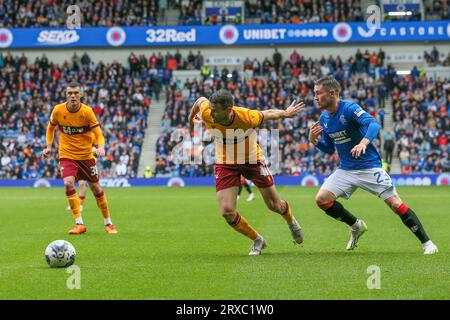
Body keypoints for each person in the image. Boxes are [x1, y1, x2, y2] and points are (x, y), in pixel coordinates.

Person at [308, 76, 437, 254]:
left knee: (395, 205)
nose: (315, 97)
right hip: (346, 169)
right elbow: (330, 149)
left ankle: (428, 243)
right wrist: (314, 141)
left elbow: (374, 124)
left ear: (331, 93)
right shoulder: (324, 118)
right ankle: (356, 225)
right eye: (314, 93)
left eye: (318, 93)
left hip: (369, 166)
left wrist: (363, 143)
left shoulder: (349, 109)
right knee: (321, 200)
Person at [188, 89, 305, 256]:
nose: (210, 112)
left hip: (252, 160)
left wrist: (285, 113)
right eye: (211, 108)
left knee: (274, 206)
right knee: (227, 211)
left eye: (215, 110)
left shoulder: (246, 116)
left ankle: (291, 221)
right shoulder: (207, 111)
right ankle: (257, 239)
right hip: (225, 162)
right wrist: (190, 117)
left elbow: (268, 113)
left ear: (228, 110)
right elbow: (200, 100)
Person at [43, 82, 118, 235]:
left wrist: (101, 146)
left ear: (81, 95)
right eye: (70, 93)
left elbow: (98, 133)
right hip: (67, 154)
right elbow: (50, 128)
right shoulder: (58, 110)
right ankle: (79, 224)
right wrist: (49, 146)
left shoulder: (87, 112)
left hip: (86, 156)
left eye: (76, 93)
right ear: (66, 95)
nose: (73, 96)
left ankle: (108, 223)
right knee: (68, 183)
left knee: (96, 188)